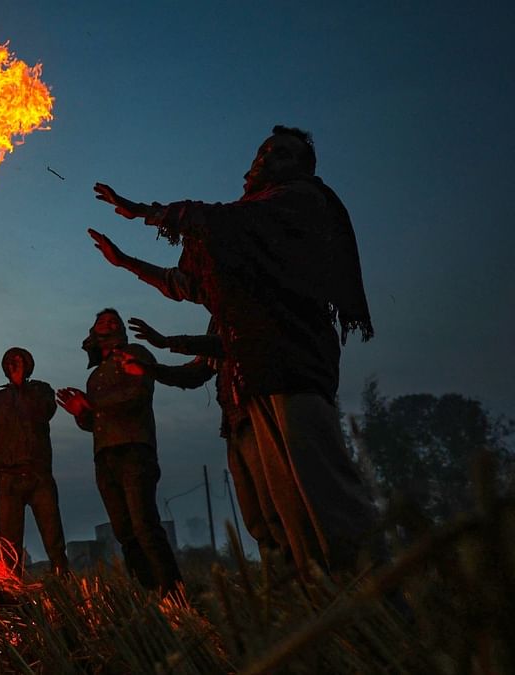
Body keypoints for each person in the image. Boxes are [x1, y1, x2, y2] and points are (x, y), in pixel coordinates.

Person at [90, 125, 380, 575]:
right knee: (285, 513)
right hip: (255, 378)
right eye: (263, 151)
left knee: (326, 499)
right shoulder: (241, 244)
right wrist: (124, 260)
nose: (266, 159)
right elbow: (184, 283)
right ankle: (323, 610)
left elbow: (224, 223)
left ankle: (382, 603)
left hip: (295, 369)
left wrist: (144, 212)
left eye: (282, 153)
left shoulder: (297, 202)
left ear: (301, 168)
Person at [127, 316, 287, 558]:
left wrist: (165, 342)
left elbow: (227, 346)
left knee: (275, 507)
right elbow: (198, 370)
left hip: (258, 415)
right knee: (255, 516)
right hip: (235, 425)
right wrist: (150, 370)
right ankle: (278, 579)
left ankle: (305, 576)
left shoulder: (244, 305)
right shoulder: (220, 316)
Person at [56, 309, 183, 595]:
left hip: (134, 450)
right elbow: (93, 423)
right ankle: (149, 594)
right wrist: (80, 413)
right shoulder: (95, 377)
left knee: (145, 526)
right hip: (104, 456)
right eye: (102, 320)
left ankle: (176, 597)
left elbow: (138, 394)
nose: (109, 322)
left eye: (114, 320)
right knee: (124, 532)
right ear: (93, 332)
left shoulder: (135, 354)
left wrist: (92, 406)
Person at [0, 348, 68, 575]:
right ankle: (13, 593)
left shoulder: (41, 391)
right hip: (8, 479)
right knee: (9, 546)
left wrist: (21, 385)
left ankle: (64, 583)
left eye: (19, 359)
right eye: (11, 360)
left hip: (38, 475)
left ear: (28, 364)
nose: (15, 362)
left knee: (54, 539)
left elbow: (43, 412)